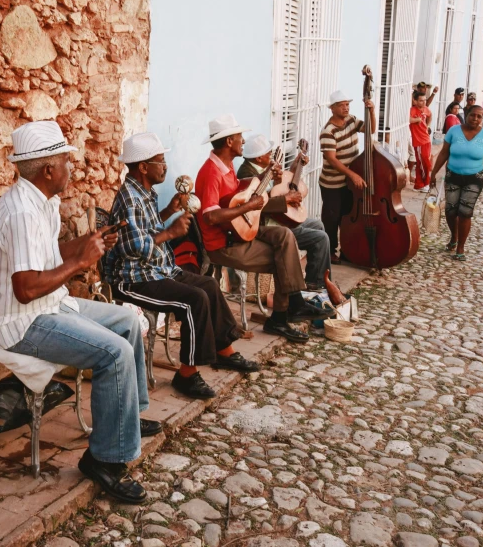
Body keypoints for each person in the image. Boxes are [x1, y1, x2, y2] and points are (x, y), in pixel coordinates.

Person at [0, 121, 161, 504]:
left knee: (126, 321)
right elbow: (25, 289)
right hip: (18, 323)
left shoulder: (42, 202)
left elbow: (48, 258)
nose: (71, 168)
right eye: (65, 161)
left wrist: (89, 244)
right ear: (47, 170)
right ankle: (104, 460)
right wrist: (81, 264)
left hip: (48, 305)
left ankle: (127, 420)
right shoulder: (21, 212)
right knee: (114, 352)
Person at [105, 133, 259, 400]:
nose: (165, 166)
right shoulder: (129, 197)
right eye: (160, 161)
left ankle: (224, 351)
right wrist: (170, 233)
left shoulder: (144, 193)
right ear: (143, 167)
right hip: (133, 278)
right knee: (193, 300)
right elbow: (131, 247)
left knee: (209, 285)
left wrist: (167, 211)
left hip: (158, 269)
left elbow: (143, 229)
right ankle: (186, 374)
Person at [195, 114, 334, 344]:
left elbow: (239, 193)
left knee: (284, 235)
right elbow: (210, 216)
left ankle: (293, 305)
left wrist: (264, 175)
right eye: (239, 136)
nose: (243, 140)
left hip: (238, 231)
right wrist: (249, 206)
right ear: (229, 142)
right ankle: (282, 315)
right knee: (284, 258)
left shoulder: (226, 166)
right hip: (224, 244)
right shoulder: (211, 172)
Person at [238, 134, 331, 290]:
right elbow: (257, 204)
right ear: (259, 158)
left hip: (277, 219)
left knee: (318, 225)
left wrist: (294, 167)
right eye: (268, 153)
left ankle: (316, 279)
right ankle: (317, 285)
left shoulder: (262, 169)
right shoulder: (246, 175)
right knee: (320, 239)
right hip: (265, 226)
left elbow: (274, 191)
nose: (271, 155)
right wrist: (286, 199)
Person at [430, 105, 483, 261]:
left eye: (480, 116)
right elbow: (444, 152)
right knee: (451, 211)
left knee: (465, 212)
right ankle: (454, 237)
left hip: (474, 178)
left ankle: (460, 247)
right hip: (453, 175)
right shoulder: (454, 131)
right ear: (467, 115)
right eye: (473, 115)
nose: (476, 119)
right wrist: (433, 173)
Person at [319, 90, 376, 262]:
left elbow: (370, 129)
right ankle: (330, 252)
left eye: (347, 104)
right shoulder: (328, 131)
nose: (346, 108)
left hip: (350, 181)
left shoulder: (351, 120)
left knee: (347, 217)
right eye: (342, 105)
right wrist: (353, 175)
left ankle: (347, 250)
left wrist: (372, 111)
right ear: (332, 108)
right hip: (332, 183)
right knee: (332, 219)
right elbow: (332, 160)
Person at [409, 90, 432, 192]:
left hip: (426, 139)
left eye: (425, 100)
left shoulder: (426, 109)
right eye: (421, 101)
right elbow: (408, 119)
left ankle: (420, 184)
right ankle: (425, 183)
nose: (424, 102)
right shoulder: (413, 110)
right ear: (415, 101)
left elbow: (430, 115)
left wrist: (427, 125)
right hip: (419, 141)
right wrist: (416, 120)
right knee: (423, 162)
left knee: (424, 162)